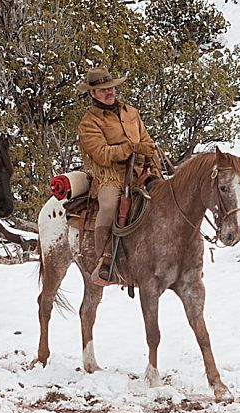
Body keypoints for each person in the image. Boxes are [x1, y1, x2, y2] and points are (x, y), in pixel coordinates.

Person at [77, 67, 160, 286]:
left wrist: (149, 155)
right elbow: (102, 154)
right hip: (110, 175)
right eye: (103, 90)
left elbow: (147, 141)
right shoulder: (88, 123)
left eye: (111, 88)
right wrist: (131, 147)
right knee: (109, 205)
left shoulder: (131, 112)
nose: (109, 92)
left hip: (140, 171)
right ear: (92, 93)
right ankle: (105, 261)